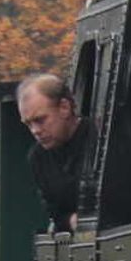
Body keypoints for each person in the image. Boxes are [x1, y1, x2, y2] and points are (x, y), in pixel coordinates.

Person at [18, 72, 89, 231]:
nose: (35, 131)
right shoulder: (38, 157)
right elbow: (55, 213)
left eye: (40, 120)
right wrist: (72, 221)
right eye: (28, 124)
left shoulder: (100, 138)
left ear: (65, 107)